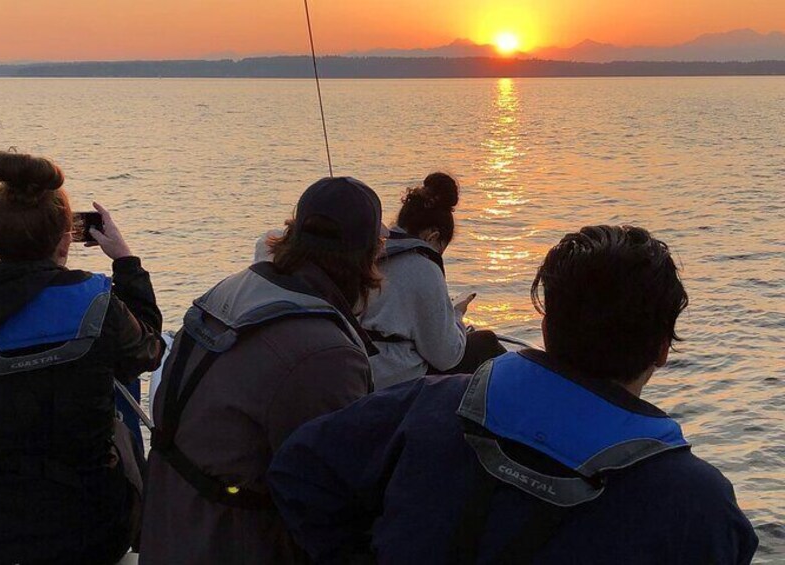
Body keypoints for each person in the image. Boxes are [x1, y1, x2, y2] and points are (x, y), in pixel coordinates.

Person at [268, 225, 759, 564]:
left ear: (546, 326)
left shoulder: (424, 407)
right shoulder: (701, 507)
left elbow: (298, 471)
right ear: (660, 350)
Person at [141, 177, 385, 565]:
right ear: (370, 256)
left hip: (172, 526)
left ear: (290, 234)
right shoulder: (326, 354)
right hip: (235, 543)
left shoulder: (234, 289)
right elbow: (336, 498)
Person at [0, 150, 164, 564]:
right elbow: (148, 351)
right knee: (121, 431)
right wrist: (126, 263)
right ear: (65, 235)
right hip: (88, 531)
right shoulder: (97, 304)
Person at [360, 172, 504, 389]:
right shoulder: (423, 266)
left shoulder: (369, 252)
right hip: (392, 377)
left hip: (360, 366)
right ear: (433, 237)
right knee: (486, 344)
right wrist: (456, 315)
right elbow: (447, 356)